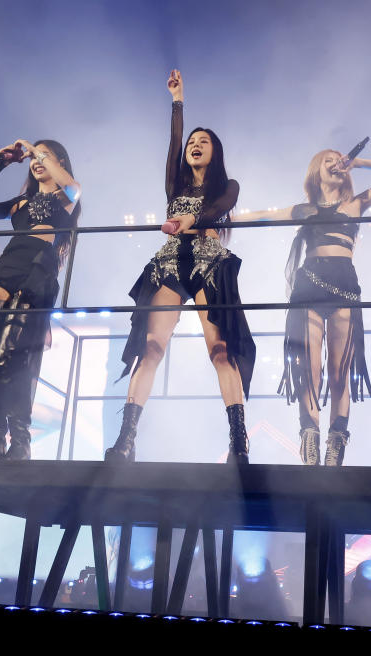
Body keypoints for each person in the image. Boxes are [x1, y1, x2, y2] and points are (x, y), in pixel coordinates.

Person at [106, 69, 254, 464]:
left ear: (215, 151)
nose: (194, 145)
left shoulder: (228, 186)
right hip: (172, 262)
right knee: (150, 348)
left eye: (203, 141)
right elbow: (173, 140)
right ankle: (126, 440)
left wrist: (192, 220)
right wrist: (178, 101)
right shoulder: (175, 183)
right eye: (192, 141)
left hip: (208, 264)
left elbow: (219, 209)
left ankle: (239, 443)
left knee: (220, 351)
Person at [236, 150, 371, 465]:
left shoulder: (355, 204)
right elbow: (262, 215)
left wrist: (361, 162)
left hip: (344, 287)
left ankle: (336, 441)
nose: (335, 161)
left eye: (339, 158)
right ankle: (309, 437)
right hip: (309, 288)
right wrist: (215, 220)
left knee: (341, 372)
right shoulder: (305, 209)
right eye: (328, 158)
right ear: (316, 169)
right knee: (309, 371)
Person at [0, 138, 81, 460]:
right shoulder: (20, 203)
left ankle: (20, 440)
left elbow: (73, 186)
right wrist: (0, 163)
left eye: (45, 156)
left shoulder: (65, 197)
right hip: (6, 268)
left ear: (59, 162)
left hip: (37, 271)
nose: (36, 160)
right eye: (32, 158)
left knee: (11, 357)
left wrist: (33, 147)